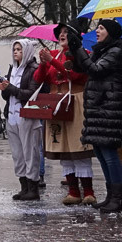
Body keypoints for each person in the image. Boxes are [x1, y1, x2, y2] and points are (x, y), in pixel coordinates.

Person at [68, 18, 122, 212]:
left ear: (111, 33)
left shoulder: (116, 52)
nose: (97, 30)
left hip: (109, 107)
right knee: (100, 151)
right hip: (99, 108)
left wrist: (79, 48)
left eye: (102, 28)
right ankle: (110, 195)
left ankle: (118, 198)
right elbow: (82, 67)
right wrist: (74, 46)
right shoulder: (102, 50)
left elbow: (95, 70)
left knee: (109, 152)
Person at [34, 22, 96, 205]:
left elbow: (75, 76)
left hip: (75, 101)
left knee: (79, 148)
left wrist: (52, 62)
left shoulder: (82, 55)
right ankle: (73, 191)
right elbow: (38, 79)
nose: (62, 35)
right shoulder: (55, 54)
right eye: (60, 32)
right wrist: (45, 64)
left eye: (66, 32)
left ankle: (89, 191)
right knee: (62, 147)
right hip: (57, 103)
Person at [0, 39, 44, 201]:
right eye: (14, 49)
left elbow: (31, 93)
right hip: (11, 115)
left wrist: (11, 88)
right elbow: (7, 95)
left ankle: (33, 187)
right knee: (18, 154)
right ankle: (24, 186)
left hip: (28, 116)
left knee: (30, 152)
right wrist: (4, 89)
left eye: (19, 49)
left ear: (27, 51)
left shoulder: (34, 69)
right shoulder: (13, 68)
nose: (16, 52)